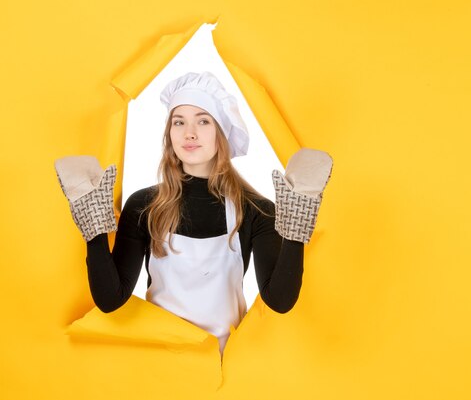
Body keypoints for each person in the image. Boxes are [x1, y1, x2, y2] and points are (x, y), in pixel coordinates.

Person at [55, 71, 333, 354]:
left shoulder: (256, 210)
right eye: (179, 122)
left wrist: (296, 226)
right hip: (161, 364)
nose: (190, 132)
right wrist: (93, 226)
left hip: (224, 371)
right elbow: (110, 299)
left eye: (203, 120)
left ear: (221, 133)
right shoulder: (143, 206)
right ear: (169, 134)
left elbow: (280, 301)